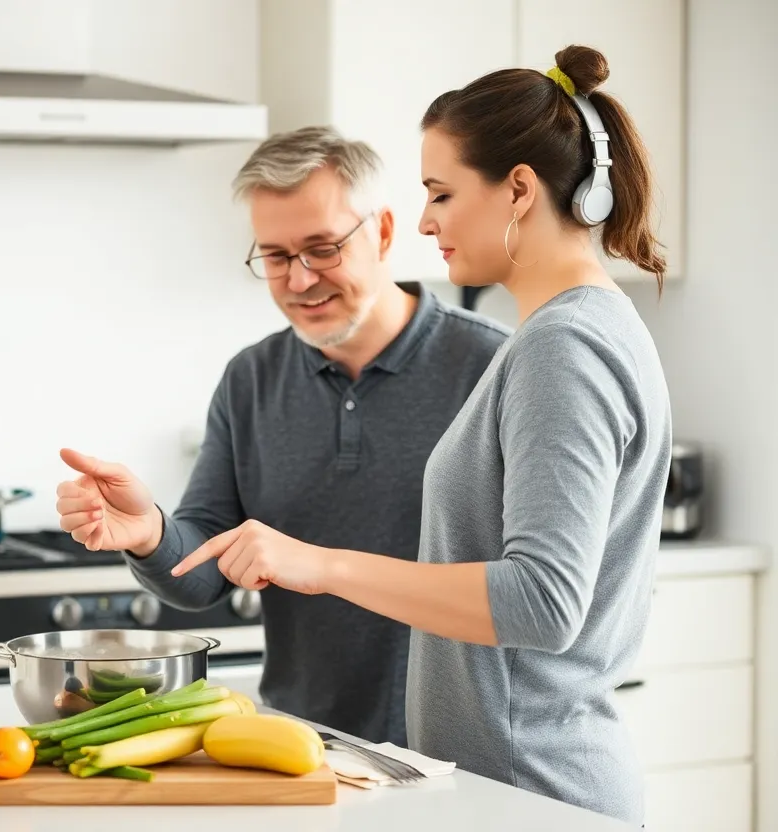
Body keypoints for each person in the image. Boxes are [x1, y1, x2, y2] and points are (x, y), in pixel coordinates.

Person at [168, 46, 672, 826]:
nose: (429, 219)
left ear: (518, 190)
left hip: (529, 789)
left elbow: (544, 602)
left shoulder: (561, 346)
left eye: (441, 192)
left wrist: (321, 564)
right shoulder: (576, 331)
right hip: (501, 782)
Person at [54, 125, 510, 747]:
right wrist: (151, 533)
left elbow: (529, 591)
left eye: (322, 249)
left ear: (381, 233)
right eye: (274, 256)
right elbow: (203, 573)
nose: (298, 281)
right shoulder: (251, 379)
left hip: (461, 751)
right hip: (304, 745)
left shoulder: (490, 367)